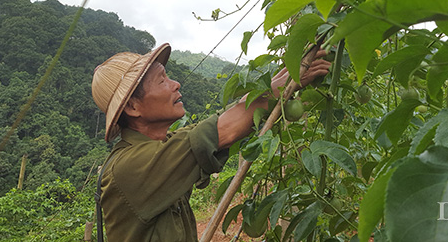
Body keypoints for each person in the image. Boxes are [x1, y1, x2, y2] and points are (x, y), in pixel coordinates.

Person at [91, 42, 330, 241]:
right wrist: (283, 85)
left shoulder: (159, 149)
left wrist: (283, 77)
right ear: (133, 106)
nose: (176, 84)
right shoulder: (130, 167)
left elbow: (219, 124)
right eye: (162, 80)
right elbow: (220, 131)